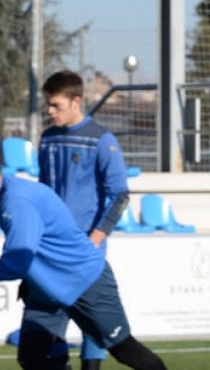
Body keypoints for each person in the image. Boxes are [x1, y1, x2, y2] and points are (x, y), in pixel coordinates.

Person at [0, 141, 166, 370]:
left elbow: (15, 263)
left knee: (124, 350)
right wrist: (30, 278)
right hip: (47, 288)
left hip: (85, 281)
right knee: (33, 357)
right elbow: (33, 247)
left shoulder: (16, 202)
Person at [38, 70, 131, 370]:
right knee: (48, 329)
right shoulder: (48, 139)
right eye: (48, 105)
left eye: (56, 105)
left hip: (85, 252)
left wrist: (95, 239)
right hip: (51, 252)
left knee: (94, 326)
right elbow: (44, 192)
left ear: (76, 101)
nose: (49, 112)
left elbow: (120, 195)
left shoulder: (102, 140)